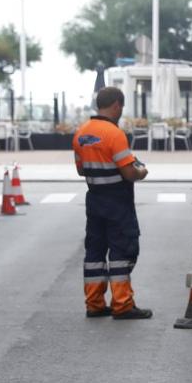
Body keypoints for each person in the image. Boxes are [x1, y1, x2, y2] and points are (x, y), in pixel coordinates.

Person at [72, 87, 151, 319]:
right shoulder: (114, 134)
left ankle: (94, 304)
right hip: (117, 201)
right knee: (123, 249)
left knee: (95, 252)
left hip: (94, 198)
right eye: (121, 107)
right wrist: (142, 171)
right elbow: (128, 173)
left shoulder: (81, 133)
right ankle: (123, 305)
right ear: (116, 105)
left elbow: (80, 169)